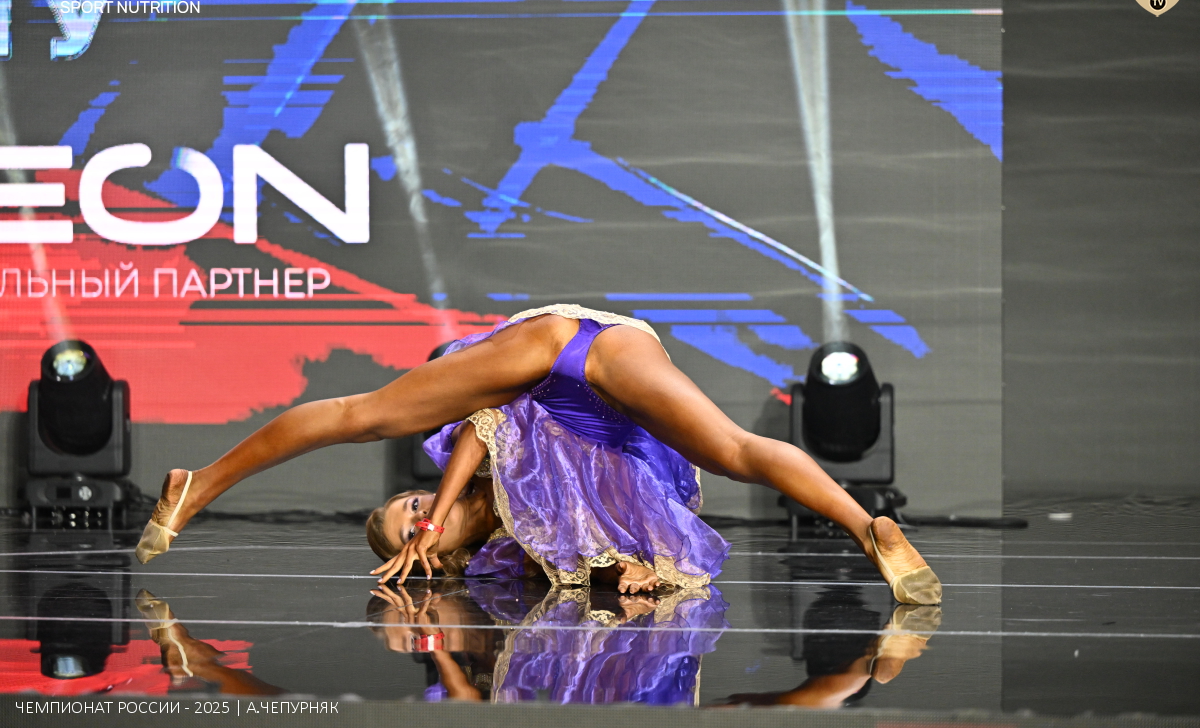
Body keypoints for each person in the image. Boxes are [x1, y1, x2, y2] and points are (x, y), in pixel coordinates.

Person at [136, 304, 940, 604]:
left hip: (551, 351)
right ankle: (871, 532)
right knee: (732, 450)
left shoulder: (469, 482)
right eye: (412, 524)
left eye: (409, 506)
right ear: (441, 562)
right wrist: (632, 573)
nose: (419, 513)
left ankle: (199, 484)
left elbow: (482, 422)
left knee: (364, 415)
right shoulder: (515, 550)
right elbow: (602, 548)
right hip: (616, 364)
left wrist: (437, 512)